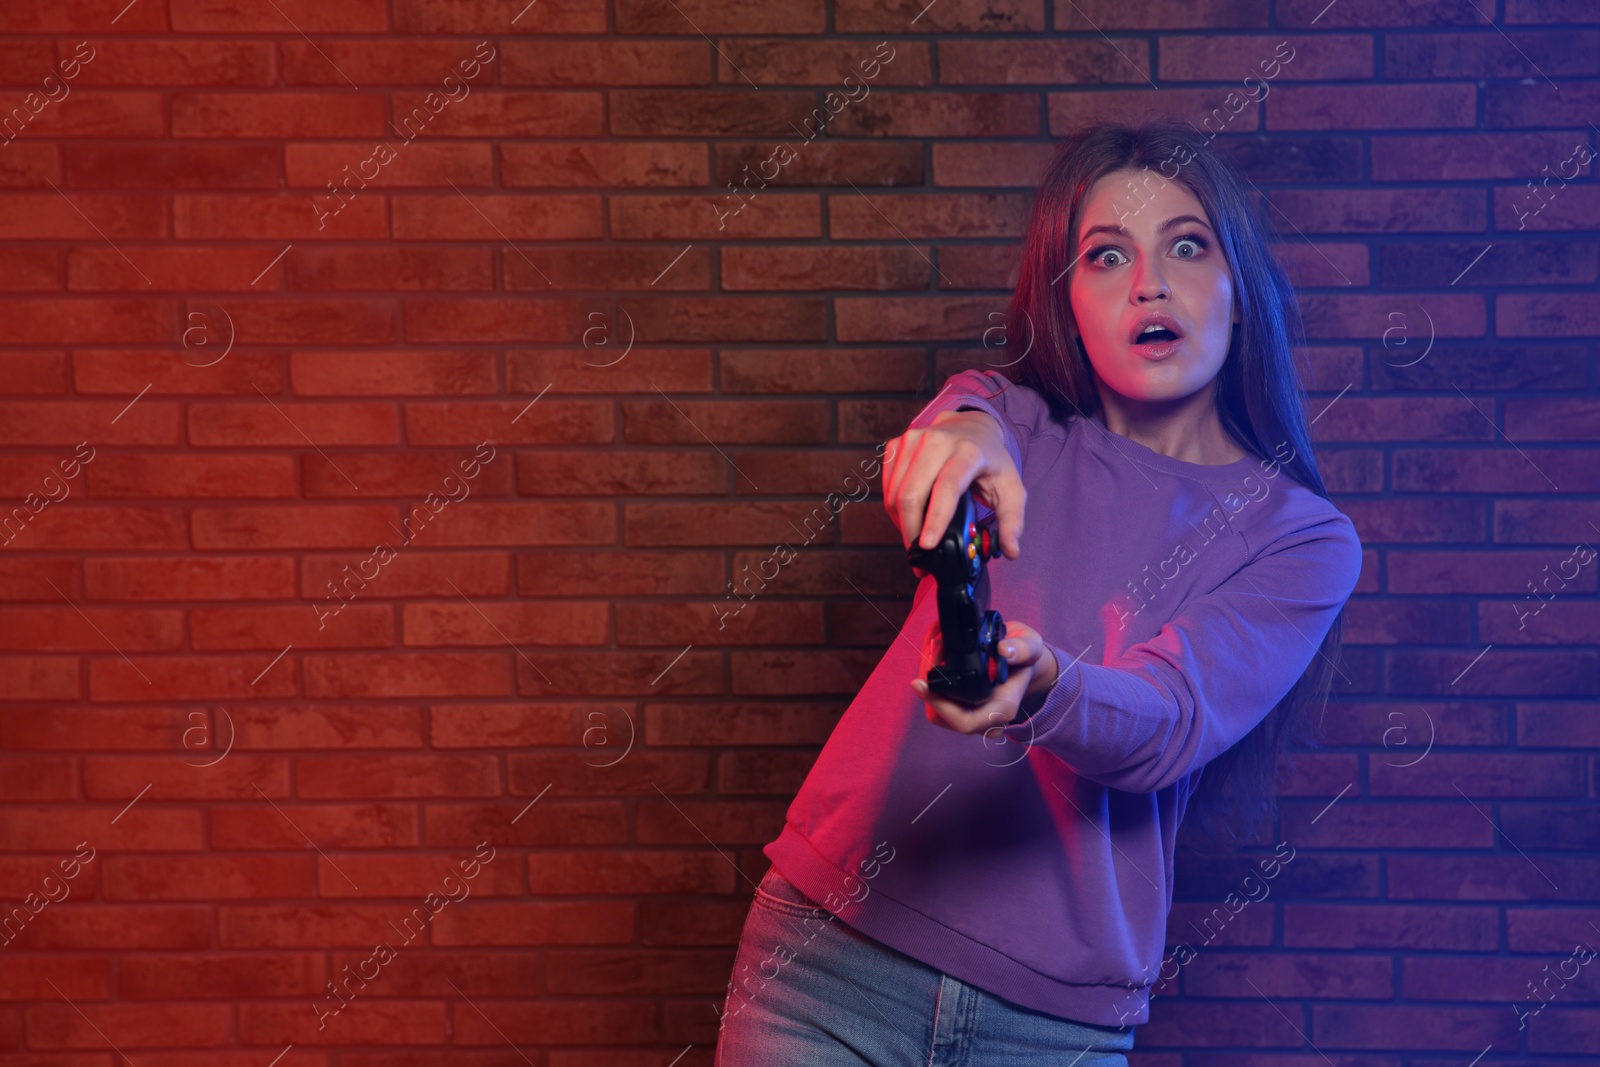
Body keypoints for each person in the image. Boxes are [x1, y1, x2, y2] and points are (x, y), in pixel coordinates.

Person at [712, 119, 1363, 1066]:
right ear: (1070, 304)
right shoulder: (1005, 419)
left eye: (1188, 244)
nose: (1150, 282)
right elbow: (958, 432)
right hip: (824, 966)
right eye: (1107, 256)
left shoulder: (1302, 540)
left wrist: (1050, 684)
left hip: (1050, 1027)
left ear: (1240, 286)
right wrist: (955, 444)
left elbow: (1171, 717)